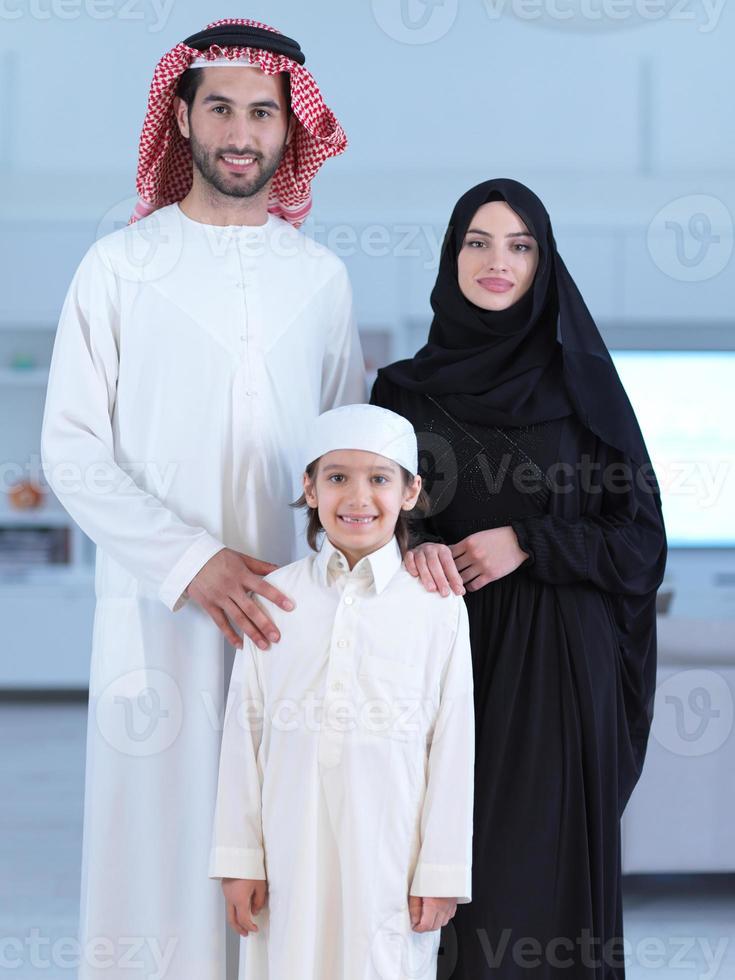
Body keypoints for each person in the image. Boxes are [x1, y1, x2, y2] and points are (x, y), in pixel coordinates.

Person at [40, 19, 365, 979]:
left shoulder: (320, 278)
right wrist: (191, 562)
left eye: (262, 113)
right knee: (162, 857)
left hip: (291, 616)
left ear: (288, 131)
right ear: (180, 116)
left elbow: (343, 454)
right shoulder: (118, 267)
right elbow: (70, 449)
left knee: (290, 855)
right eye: (219, 107)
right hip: (158, 620)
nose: (240, 130)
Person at [371, 178, 668, 979]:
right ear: (451, 255)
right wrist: (412, 543)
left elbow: (639, 545)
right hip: (443, 662)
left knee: (532, 890)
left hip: (559, 677)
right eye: (477, 241)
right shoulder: (402, 392)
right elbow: (370, 515)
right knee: (436, 894)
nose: (495, 261)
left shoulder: (584, 391)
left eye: (519, 244)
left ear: (543, 263)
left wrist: (529, 541)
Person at [209, 403, 475, 980]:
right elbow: (243, 731)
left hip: (391, 851)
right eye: (337, 478)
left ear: (410, 492)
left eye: (379, 479)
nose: (358, 498)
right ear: (309, 488)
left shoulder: (437, 606)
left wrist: (442, 872)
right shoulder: (275, 596)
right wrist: (238, 859)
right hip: (288, 844)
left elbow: (454, 744)